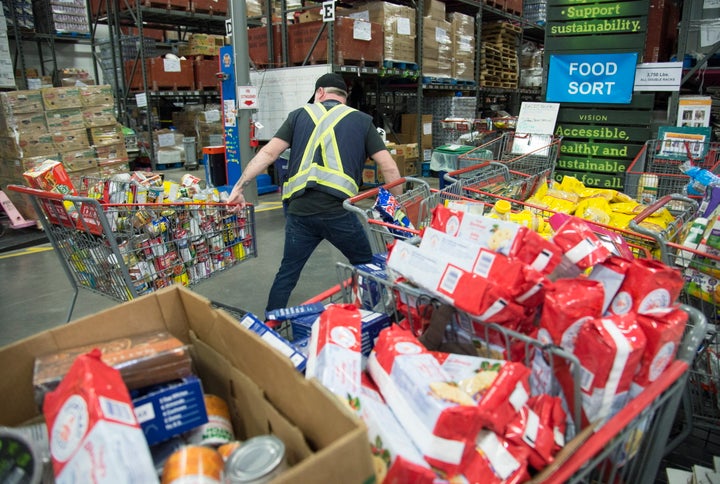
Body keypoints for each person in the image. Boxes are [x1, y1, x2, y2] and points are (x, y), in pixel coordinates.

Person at [227, 72, 403, 314]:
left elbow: (268, 154)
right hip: (338, 213)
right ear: (345, 97)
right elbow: (389, 167)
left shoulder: (299, 115)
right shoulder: (362, 120)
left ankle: (270, 323)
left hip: (300, 213)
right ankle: (369, 319)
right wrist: (396, 207)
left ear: (320, 92)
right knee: (366, 265)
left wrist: (239, 188)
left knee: (288, 272)